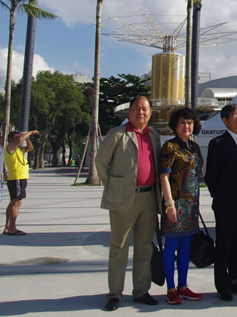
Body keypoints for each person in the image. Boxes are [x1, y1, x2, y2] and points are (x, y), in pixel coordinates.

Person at [96, 96, 162, 312]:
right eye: (136, 109)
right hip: (124, 200)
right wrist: (114, 187)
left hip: (149, 199)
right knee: (119, 248)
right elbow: (100, 162)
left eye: (144, 109)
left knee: (144, 248)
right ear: (129, 112)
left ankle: (141, 291)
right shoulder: (117, 134)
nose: (140, 113)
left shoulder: (154, 136)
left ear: (150, 113)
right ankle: (114, 293)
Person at [205, 104, 237, 301]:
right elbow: (211, 176)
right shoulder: (217, 143)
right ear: (225, 120)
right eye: (235, 115)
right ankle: (222, 284)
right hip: (225, 203)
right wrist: (220, 196)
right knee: (224, 243)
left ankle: (236, 279)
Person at [158, 107, 204, 305]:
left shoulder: (195, 147)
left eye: (190, 122)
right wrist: (169, 205)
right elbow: (164, 177)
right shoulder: (169, 147)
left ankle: (183, 286)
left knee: (185, 247)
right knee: (171, 247)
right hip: (175, 203)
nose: (187, 126)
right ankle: (170, 288)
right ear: (175, 126)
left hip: (191, 205)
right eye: (183, 122)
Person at [3, 129, 37, 235]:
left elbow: (30, 148)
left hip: (21, 178)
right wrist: (30, 132)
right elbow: (19, 140)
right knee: (16, 202)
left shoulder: (18, 149)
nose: (19, 139)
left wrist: (27, 139)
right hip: (16, 178)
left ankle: (8, 226)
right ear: (11, 140)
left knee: (14, 202)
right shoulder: (10, 148)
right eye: (16, 137)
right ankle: (12, 227)